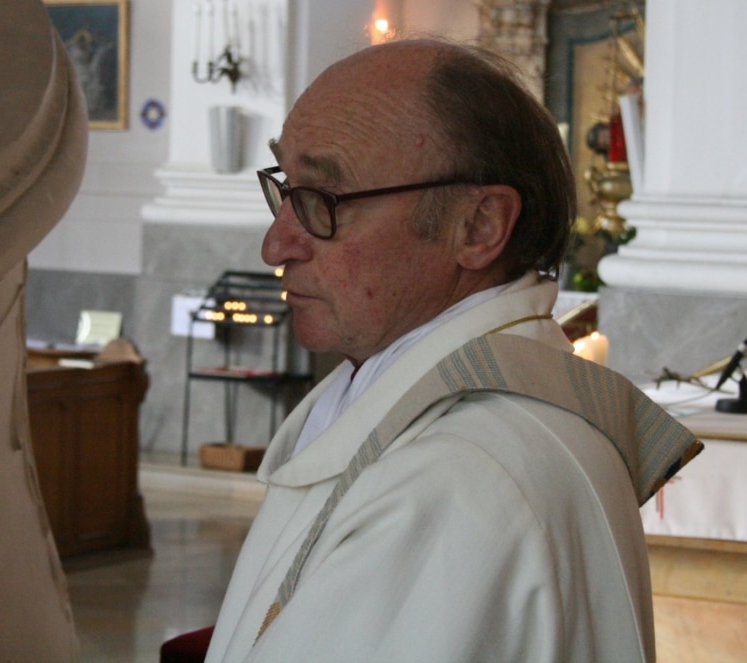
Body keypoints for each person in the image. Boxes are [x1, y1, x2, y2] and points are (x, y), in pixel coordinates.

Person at [202, 38, 699, 662]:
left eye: (322, 201)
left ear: (479, 226)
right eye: (285, 187)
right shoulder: (419, 416)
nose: (276, 246)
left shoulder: (454, 480)